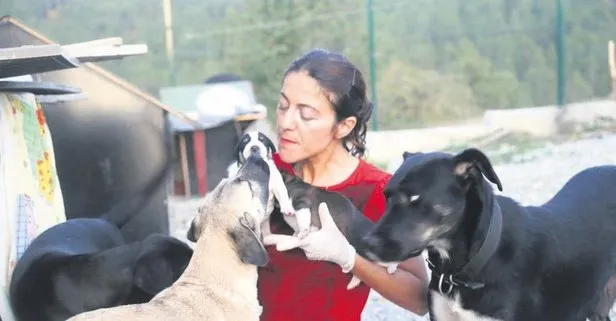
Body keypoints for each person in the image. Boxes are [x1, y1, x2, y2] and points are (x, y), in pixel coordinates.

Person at [257, 48, 429, 321]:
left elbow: (420, 298)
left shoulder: (376, 191)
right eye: (283, 106)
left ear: (344, 126)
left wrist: (349, 259)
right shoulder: (265, 172)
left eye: (306, 114)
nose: (286, 123)